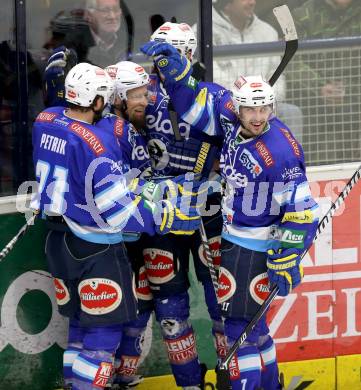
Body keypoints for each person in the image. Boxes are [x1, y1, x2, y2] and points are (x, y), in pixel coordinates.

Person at [140, 41, 320, 389]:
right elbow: (195, 104)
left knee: (238, 328)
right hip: (234, 241)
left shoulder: (281, 152)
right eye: (250, 109)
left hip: (253, 250)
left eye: (264, 109)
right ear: (236, 106)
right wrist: (177, 76)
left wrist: (286, 257)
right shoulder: (227, 111)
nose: (257, 117)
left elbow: (301, 214)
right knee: (257, 328)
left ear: (272, 106)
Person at [32, 61, 204, 389]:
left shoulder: (45, 120)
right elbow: (119, 214)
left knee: (79, 331)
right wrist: (166, 216)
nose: (109, 105)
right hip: (95, 249)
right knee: (102, 339)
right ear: (97, 101)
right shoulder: (100, 143)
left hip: (58, 242)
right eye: (105, 99)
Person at [140, 22, 227, 390]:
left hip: (208, 209)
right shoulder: (139, 95)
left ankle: (232, 374)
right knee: (171, 311)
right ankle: (190, 383)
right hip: (161, 213)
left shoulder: (211, 94)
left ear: (188, 54)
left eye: (171, 55)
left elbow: (243, 135)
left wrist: (227, 151)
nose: (162, 64)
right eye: (160, 56)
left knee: (221, 298)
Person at [197, 0, 303, 143]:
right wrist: (241, 102)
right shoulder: (201, 32)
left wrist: (263, 102)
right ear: (225, 4)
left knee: (291, 112)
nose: (252, 2)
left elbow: (279, 82)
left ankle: (290, 163)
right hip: (224, 108)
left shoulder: (267, 32)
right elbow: (211, 81)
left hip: (264, 107)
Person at [288, 0, 361, 163]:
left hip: (355, 91)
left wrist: (349, 88)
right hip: (312, 96)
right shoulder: (302, 14)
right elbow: (290, 61)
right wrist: (319, 86)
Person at [85, 0, 131, 67]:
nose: (112, 16)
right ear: (89, 15)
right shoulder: (76, 45)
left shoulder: (130, 41)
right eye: (105, 10)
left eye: (116, 10)